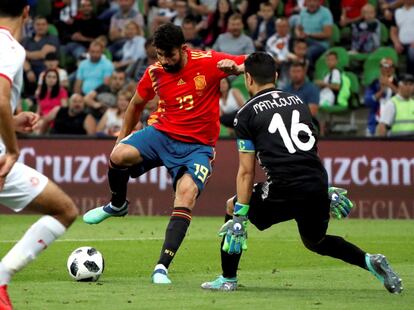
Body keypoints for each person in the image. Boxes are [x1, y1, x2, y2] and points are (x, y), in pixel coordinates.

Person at [200, 52, 403, 294]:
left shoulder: (246, 113)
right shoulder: (298, 101)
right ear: (275, 76)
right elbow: (310, 147)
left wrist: (241, 216)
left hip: (284, 187)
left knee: (232, 207)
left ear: (248, 79)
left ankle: (228, 278)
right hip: (318, 182)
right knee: (315, 240)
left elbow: (246, 171)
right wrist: (321, 189)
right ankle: (369, 260)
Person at [82, 23, 246, 284]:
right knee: (118, 156)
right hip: (161, 134)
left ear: (183, 49)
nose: (164, 60)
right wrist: (121, 137)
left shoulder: (209, 61)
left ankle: (161, 267)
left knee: (186, 195)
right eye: (159, 54)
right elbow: (136, 104)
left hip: (197, 147)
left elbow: (255, 61)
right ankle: (117, 204)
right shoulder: (155, 72)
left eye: (168, 55)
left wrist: (238, 67)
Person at [0, 2, 78, 308]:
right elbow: (0, 99)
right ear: (27, 13)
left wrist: (12, 123)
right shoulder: (10, 47)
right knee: (64, 210)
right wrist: (13, 148)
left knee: (63, 208)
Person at [364, 57, 398, 136]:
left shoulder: (399, 83)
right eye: (385, 66)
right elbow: (367, 102)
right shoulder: (373, 84)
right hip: (375, 123)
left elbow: (405, 98)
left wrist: (390, 85)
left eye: (391, 66)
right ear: (380, 68)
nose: (388, 69)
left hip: (393, 124)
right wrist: (381, 91)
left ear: (394, 69)